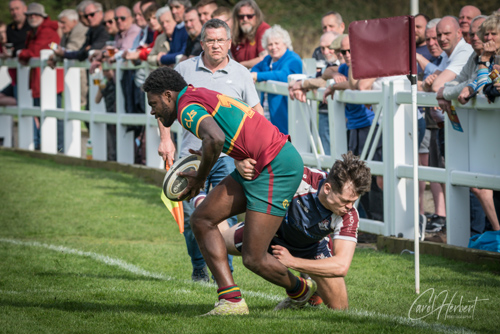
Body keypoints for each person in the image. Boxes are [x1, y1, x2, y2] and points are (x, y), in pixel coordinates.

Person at [144, 67, 313, 316]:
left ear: (168, 95)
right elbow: (227, 133)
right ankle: (231, 301)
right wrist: (206, 156)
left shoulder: (185, 107)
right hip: (260, 163)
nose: (152, 110)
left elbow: (215, 138)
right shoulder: (196, 94)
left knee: (254, 258)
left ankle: (302, 292)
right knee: (201, 219)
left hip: (276, 166)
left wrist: (199, 179)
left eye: (154, 103)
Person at [157, 18, 263, 282]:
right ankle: (198, 266)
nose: (216, 45)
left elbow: (256, 114)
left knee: (219, 215)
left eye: (221, 40)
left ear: (229, 43)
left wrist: (257, 149)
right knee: (194, 215)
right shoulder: (183, 69)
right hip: (191, 156)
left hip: (228, 158)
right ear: (202, 42)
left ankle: (222, 273)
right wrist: (165, 139)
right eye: (210, 40)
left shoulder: (240, 74)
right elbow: (162, 104)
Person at [222, 151, 371, 310]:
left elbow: (341, 266)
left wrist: (293, 262)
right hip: (272, 232)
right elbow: (259, 156)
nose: (349, 207)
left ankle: (310, 287)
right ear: (327, 188)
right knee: (221, 242)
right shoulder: (298, 178)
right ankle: (301, 290)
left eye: (353, 202)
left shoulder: (349, 214)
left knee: (340, 309)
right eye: (345, 201)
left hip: (312, 247)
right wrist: (240, 162)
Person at [18, 2, 64, 152]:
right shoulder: (34, 32)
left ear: (42, 16)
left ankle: (58, 146)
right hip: (40, 80)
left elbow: (34, 52)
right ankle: (45, 145)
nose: (32, 17)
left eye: (35, 14)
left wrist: (19, 54)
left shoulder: (47, 31)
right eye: (30, 15)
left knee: (53, 114)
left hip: (49, 82)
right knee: (41, 113)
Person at [288, 31, 340, 155]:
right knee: (328, 156)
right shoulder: (328, 67)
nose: (325, 51)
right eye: (322, 48)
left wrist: (302, 84)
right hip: (326, 114)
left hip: (349, 119)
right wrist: (301, 84)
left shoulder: (345, 65)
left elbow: (324, 82)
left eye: (329, 47)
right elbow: (317, 78)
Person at [251, 25, 302, 134]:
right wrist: (254, 74)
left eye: (277, 43)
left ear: (285, 43)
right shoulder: (268, 59)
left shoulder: (293, 59)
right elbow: (255, 68)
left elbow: (283, 76)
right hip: (266, 111)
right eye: (270, 44)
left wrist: (258, 76)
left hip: (286, 114)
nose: (273, 47)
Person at [422, 16, 474, 93]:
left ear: (459, 33)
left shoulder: (464, 51)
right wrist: (426, 85)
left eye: (447, 34)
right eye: (439, 35)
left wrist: (428, 85)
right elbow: (429, 83)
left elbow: (436, 86)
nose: (442, 39)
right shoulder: (447, 53)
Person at [0, 0, 30, 106]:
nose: (14, 12)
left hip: (30, 76)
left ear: (25, 9)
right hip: (16, 78)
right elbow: (4, 47)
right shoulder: (9, 29)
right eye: (12, 10)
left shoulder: (32, 27)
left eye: (17, 8)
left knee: (28, 108)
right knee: (24, 106)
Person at [230, 0, 270, 69]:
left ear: (257, 16)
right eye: (241, 17)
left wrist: (241, 65)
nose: (245, 19)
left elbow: (264, 58)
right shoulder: (235, 34)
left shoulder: (264, 29)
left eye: (249, 16)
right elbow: (233, 60)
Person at [160, 0, 189, 65]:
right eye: (171, 8)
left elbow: (183, 53)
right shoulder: (177, 27)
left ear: (186, 8)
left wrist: (162, 57)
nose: (173, 11)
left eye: (177, 7)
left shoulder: (188, 28)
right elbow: (172, 51)